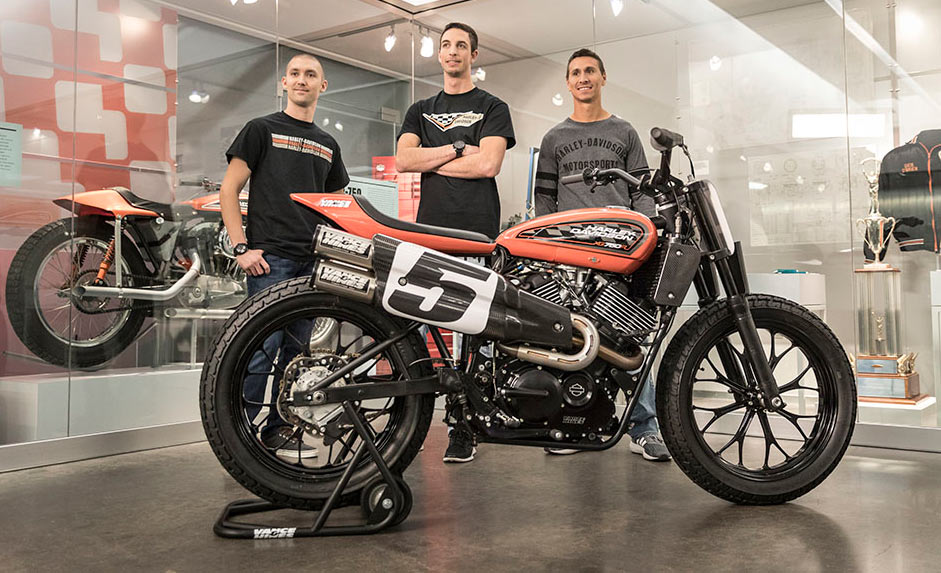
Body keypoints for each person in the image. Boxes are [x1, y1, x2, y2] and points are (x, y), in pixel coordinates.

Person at [534, 48, 671, 462]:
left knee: (626, 339)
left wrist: (646, 240)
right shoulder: (553, 139)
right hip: (571, 252)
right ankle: (572, 426)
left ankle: (643, 429)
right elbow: (543, 201)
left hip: (618, 250)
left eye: (590, 70)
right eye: (575, 72)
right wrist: (551, 249)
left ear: (603, 77)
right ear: (568, 83)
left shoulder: (624, 132)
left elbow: (642, 195)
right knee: (571, 338)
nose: (583, 78)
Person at [395, 22, 515, 462]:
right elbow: (405, 159)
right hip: (431, 231)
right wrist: (460, 149)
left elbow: (489, 166)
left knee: (474, 332)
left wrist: (436, 157)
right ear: (439, 54)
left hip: (479, 232)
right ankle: (411, 419)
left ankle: (464, 427)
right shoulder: (419, 109)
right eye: (445, 45)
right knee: (425, 327)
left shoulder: (492, 106)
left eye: (461, 45)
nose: (452, 52)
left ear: (473, 54)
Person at [219, 52, 350, 459]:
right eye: (294, 74)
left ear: (322, 86)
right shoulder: (261, 130)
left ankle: (278, 432)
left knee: (297, 354)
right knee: (260, 349)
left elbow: (335, 206)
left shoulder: (329, 144)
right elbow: (229, 190)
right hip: (268, 260)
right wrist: (241, 247)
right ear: (284, 82)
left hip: (311, 262)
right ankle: (236, 438)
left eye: (311, 75)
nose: (302, 80)